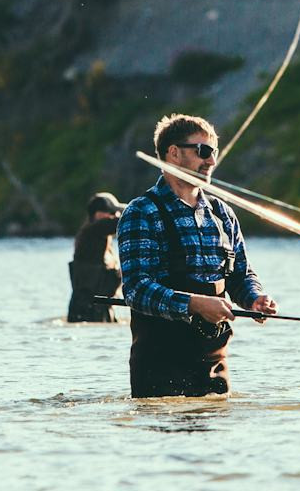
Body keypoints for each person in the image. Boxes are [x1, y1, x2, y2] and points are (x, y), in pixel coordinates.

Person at [117, 114, 276, 397]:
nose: (211, 161)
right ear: (173, 153)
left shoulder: (222, 213)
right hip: (160, 368)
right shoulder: (141, 212)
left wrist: (255, 299)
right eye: (203, 151)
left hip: (215, 367)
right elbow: (136, 290)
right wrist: (195, 304)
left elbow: (241, 275)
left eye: (214, 152)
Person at [67, 191, 125, 322]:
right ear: (98, 214)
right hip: (87, 309)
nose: (115, 215)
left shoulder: (98, 236)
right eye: (112, 212)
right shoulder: (92, 230)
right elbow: (124, 221)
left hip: (99, 307)